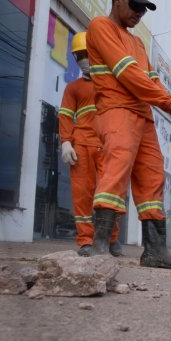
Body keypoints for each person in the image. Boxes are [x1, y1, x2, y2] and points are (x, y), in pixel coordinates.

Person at [86, 0, 171, 270]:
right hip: (116, 109)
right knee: (116, 170)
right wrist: (168, 103)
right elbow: (127, 73)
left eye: (144, 10)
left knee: (152, 177)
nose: (140, 14)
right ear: (118, 2)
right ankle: (100, 245)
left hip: (143, 115)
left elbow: (152, 80)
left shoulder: (138, 44)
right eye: (135, 7)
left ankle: (155, 251)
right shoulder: (101, 26)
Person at [58, 31, 122, 257]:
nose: (84, 59)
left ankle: (111, 240)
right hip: (82, 146)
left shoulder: (112, 84)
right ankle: (86, 241)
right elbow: (65, 115)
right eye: (80, 55)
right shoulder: (73, 88)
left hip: (107, 146)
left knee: (111, 195)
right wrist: (66, 142)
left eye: (87, 53)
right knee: (82, 195)